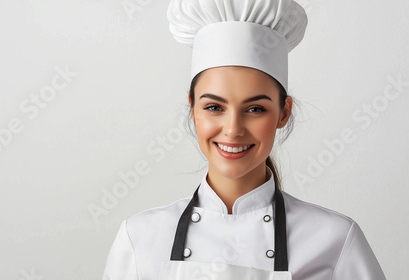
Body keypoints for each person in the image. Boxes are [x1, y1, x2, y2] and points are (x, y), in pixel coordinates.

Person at [102, 0, 386, 279]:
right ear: (193, 109)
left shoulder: (335, 241)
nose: (232, 129)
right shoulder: (138, 239)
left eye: (255, 109)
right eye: (214, 107)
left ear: (283, 113)